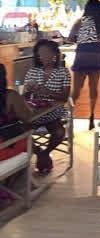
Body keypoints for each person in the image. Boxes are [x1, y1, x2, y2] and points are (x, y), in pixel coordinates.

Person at [24, 40, 71, 173]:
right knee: (20, 132)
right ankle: (40, 153)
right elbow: (25, 96)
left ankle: (45, 153)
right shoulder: (33, 71)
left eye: (45, 53)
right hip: (35, 111)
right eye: (39, 54)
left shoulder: (63, 72)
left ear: (54, 54)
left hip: (54, 112)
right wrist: (27, 90)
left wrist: (46, 92)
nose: (42, 56)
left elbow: (64, 97)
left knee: (59, 132)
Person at [69, 0, 100, 130]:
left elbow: (70, 38)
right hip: (97, 55)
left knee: (76, 88)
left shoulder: (80, 22)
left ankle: (70, 116)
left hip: (83, 54)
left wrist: (80, 39)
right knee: (94, 87)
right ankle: (92, 115)